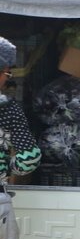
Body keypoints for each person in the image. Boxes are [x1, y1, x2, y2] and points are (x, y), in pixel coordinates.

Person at [0, 38, 41, 184]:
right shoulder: (7, 109)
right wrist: (5, 169)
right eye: (7, 74)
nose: (7, 79)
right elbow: (29, 158)